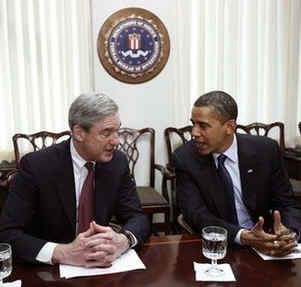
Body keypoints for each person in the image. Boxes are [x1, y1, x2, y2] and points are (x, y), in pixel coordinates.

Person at [0, 93, 150, 266]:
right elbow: (7, 233)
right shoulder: (36, 166)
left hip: (100, 266)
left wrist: (123, 241)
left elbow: (137, 217)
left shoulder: (117, 162)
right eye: (107, 133)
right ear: (79, 133)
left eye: (117, 131)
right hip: (48, 271)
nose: (116, 141)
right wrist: (62, 253)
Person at [173, 90, 301, 256]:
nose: (194, 132)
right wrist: (244, 236)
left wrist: (289, 232)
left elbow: (287, 202)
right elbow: (197, 214)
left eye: (203, 126)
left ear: (229, 127)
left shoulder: (266, 150)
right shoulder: (185, 157)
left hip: (268, 242)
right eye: (193, 124)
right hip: (221, 245)